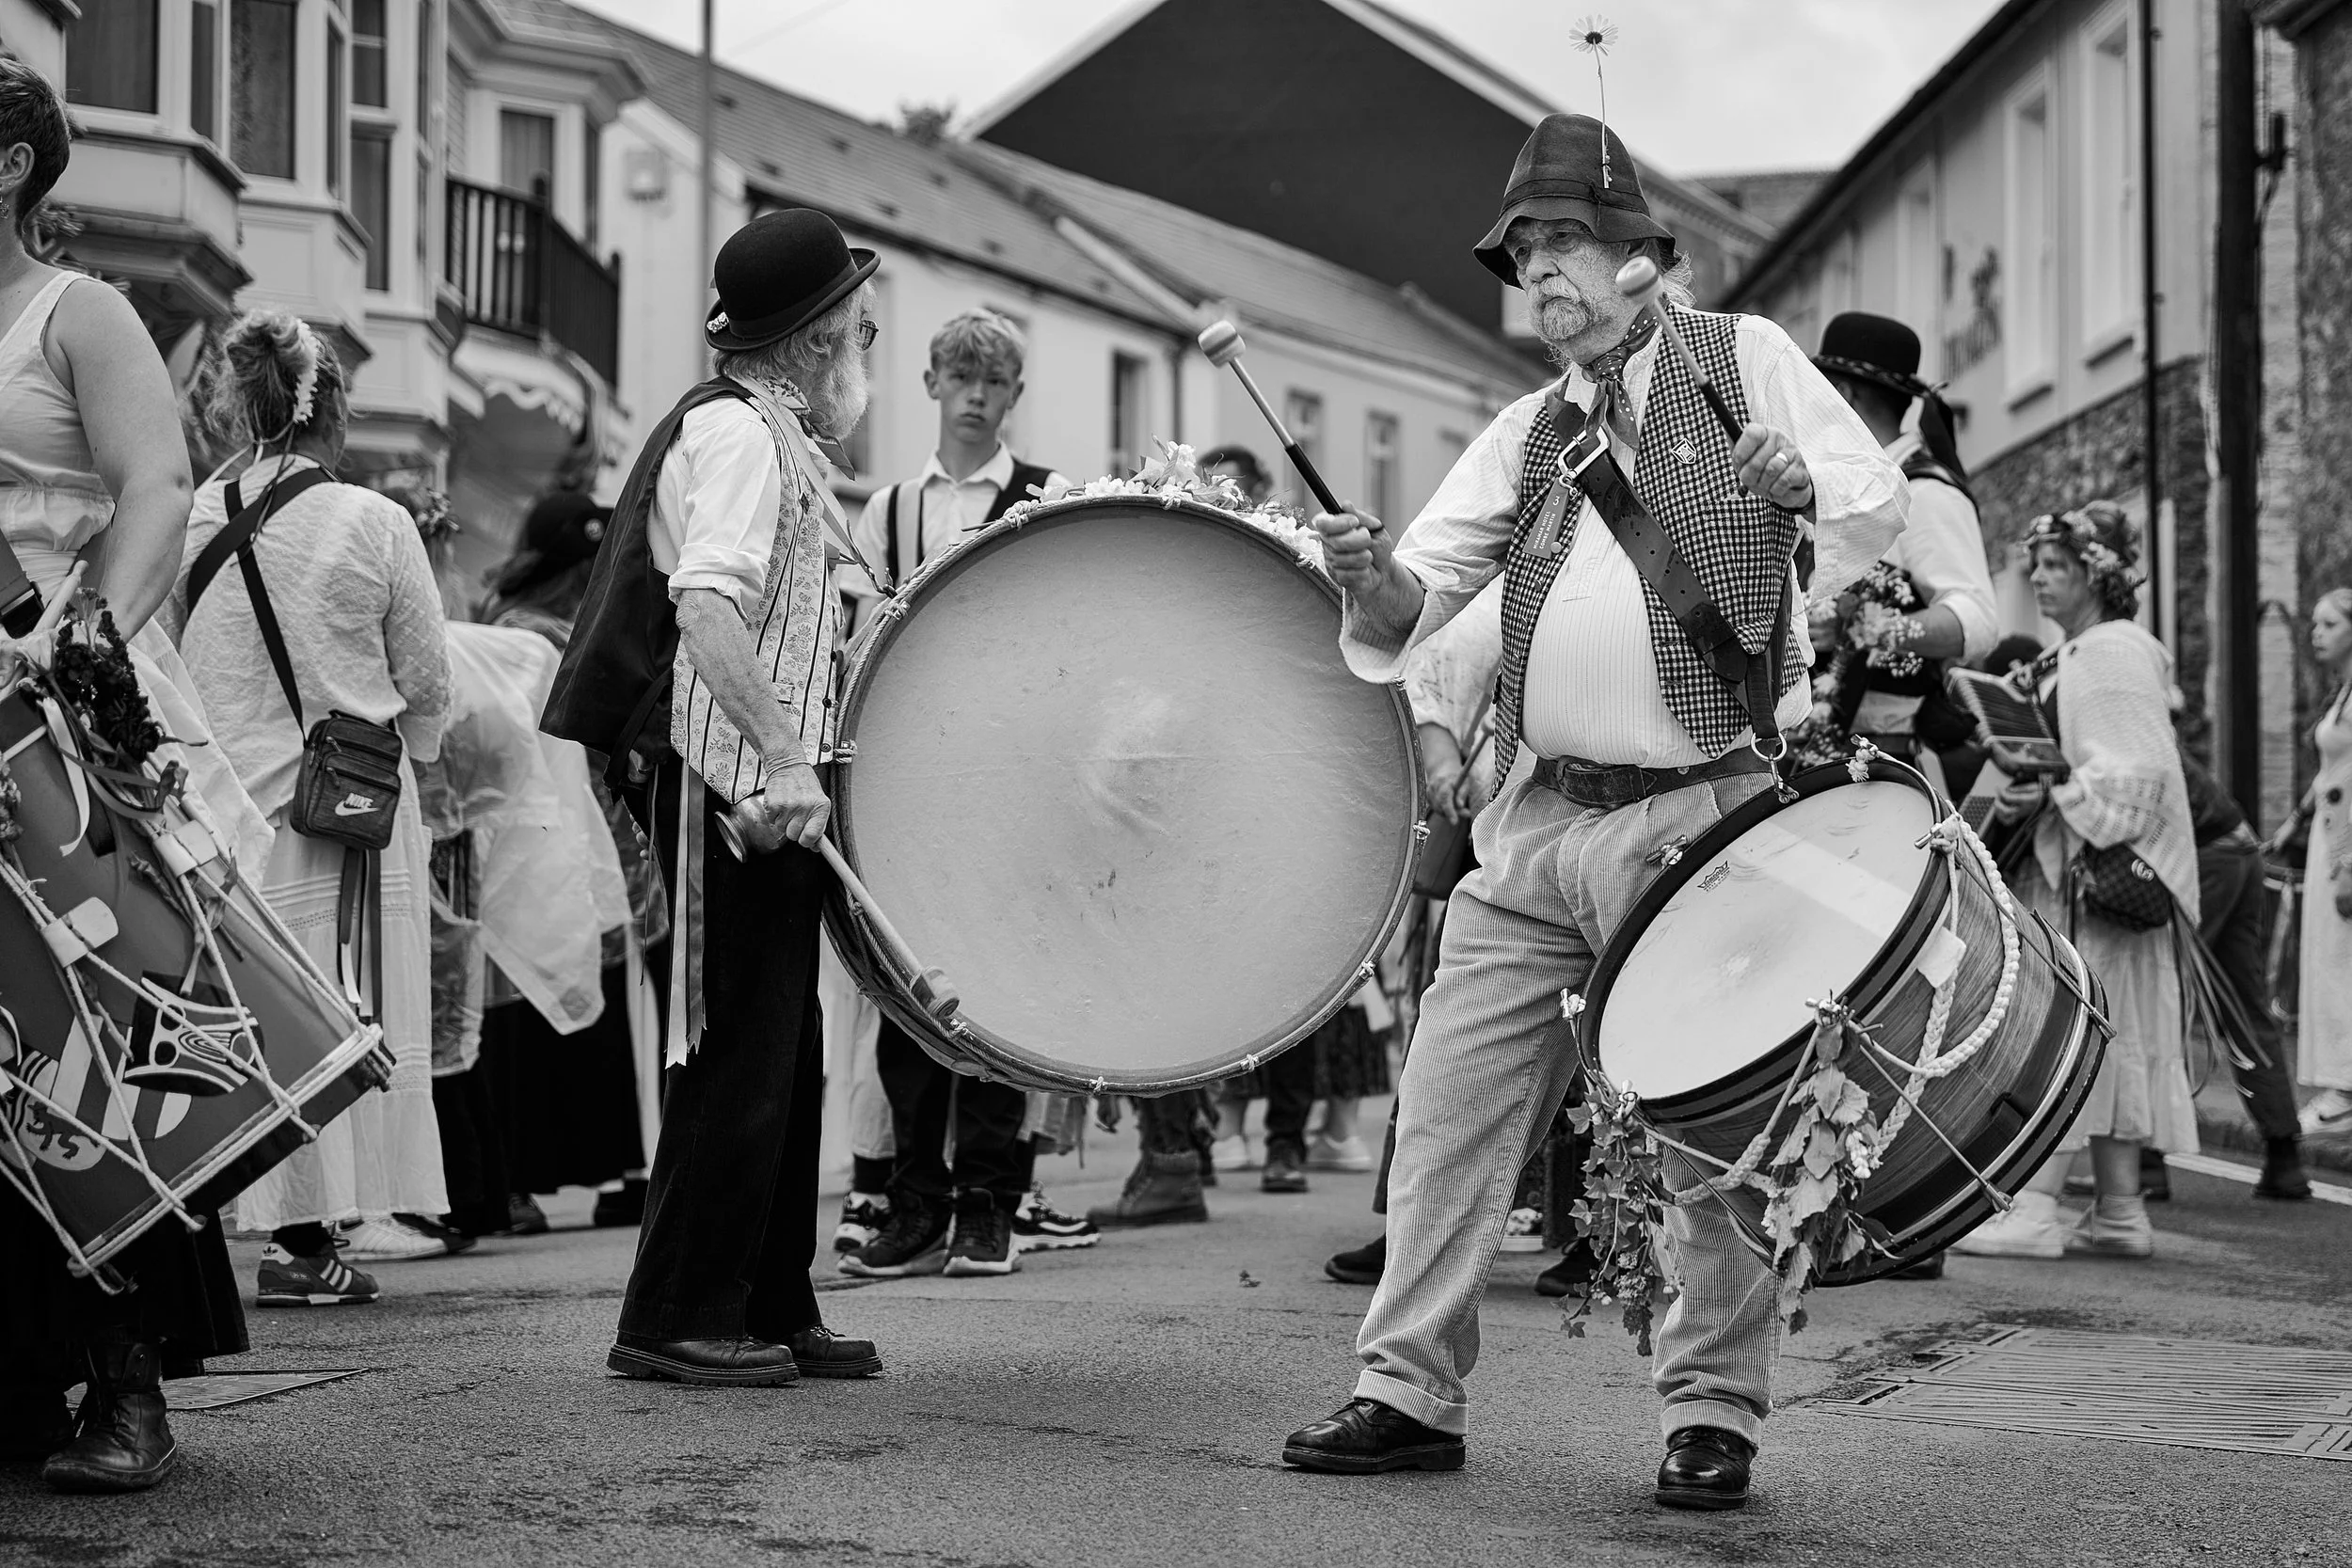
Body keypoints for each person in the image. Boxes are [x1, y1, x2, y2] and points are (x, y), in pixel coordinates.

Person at [1282, 113, 1906, 1508]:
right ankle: (1405, 1386)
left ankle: (1712, 1408)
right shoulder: (1525, 427)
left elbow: (1871, 499)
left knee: (1702, 1131)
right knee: (1446, 1105)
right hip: (1537, 822)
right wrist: (1359, 574)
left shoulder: (1742, 359)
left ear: (1643, 255)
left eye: (1562, 243)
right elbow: (1410, 609)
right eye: (1523, 254)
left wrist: (1802, 483)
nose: (1538, 274)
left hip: (1704, 813)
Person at [543, 208, 882, 1386]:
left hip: (763, 783)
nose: (865, 360)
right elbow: (705, 609)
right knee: (731, 1047)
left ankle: (770, 1297)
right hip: (728, 782)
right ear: (806, 347)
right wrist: (787, 759)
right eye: (857, 334)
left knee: (783, 1057)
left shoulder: (774, 436)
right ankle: (677, 1308)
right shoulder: (738, 436)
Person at [0, 57, 262, 1493]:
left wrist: (81, 649)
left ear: (8, 167)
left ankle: (126, 1373)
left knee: (85, 1023)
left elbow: (156, 486)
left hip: (44, 683)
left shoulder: (78, 311)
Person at [166, 310, 455, 1289]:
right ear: (332, 406)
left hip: (218, 805)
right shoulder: (374, 520)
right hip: (351, 809)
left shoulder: (189, 519)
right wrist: (413, 758)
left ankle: (250, 1220)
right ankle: (308, 1239)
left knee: (248, 1009)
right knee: (349, 1004)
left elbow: (160, 655)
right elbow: (428, 679)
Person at [836, 309, 1090, 1277]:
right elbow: (856, 648)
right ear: (933, 384)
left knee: (1001, 993)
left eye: (995, 382)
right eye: (962, 378)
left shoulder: (1048, 496)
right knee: (910, 998)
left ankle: (989, 1202)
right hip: (911, 783)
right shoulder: (890, 509)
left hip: (1017, 781)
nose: (977, 396)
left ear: (1013, 396)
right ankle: (914, 1202)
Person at [1950, 503, 2198, 1261]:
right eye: (2040, 565)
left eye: (2060, 565)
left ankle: (2039, 1202)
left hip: (2097, 869)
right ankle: (2121, 1209)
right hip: (2084, 866)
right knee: (2111, 1026)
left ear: (2100, 574)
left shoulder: (2111, 650)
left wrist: (2053, 791)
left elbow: (2140, 775)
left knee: (2076, 1027)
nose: (2042, 578)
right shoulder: (2086, 650)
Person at [481, 489, 660, 1229]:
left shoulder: (544, 629)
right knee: (536, 1003)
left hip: (591, 841)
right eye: (589, 562)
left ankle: (613, 1167)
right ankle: (517, 1178)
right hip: (556, 841)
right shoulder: (526, 636)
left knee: (587, 1006)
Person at [1811, 312, 1998, 784]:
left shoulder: (1927, 494)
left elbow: (1975, 620)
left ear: (1845, 394)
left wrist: (1865, 626)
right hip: (1824, 751)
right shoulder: (1846, 488)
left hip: (1887, 763)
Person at [2175, 752, 2311, 1197]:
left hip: (2203, 855)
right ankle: (2283, 1157)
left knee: (2157, 995)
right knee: (2244, 1003)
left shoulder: (2078, 701)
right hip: (2236, 845)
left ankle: (2141, 1161)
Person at [2282, 586, 2352, 1137]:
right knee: (2329, 957)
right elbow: (2330, 775)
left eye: (2328, 624)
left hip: (2346, 845)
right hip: (2329, 837)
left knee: (2340, 959)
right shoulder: (2341, 694)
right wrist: (2294, 820)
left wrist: (2349, 861)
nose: (2316, 633)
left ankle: (2346, 1087)